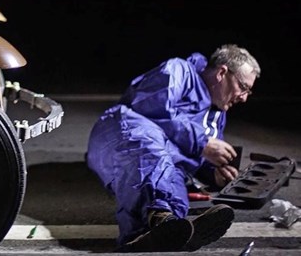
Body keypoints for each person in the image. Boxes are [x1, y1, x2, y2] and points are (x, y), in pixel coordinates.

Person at [87, 44, 261, 252]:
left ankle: (162, 227)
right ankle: (155, 223)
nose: (244, 97)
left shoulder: (216, 117)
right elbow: (151, 107)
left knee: (172, 177)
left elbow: (188, 157)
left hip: (160, 158)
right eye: (243, 87)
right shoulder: (180, 71)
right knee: (148, 151)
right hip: (121, 132)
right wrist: (202, 143)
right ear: (222, 72)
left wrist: (212, 172)